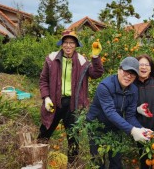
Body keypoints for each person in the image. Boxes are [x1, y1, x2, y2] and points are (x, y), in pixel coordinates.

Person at [37, 29, 104, 164]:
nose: (68, 45)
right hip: (54, 102)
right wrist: (46, 97)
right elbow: (43, 80)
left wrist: (95, 58)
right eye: (66, 42)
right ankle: (37, 161)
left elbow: (96, 73)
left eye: (71, 43)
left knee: (73, 138)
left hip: (73, 104)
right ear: (61, 44)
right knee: (44, 133)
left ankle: (72, 165)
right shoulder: (51, 59)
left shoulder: (82, 61)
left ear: (76, 45)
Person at [86, 56, 152, 169]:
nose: (128, 76)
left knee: (116, 162)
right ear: (119, 70)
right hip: (96, 126)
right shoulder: (105, 86)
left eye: (133, 73)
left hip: (115, 127)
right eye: (126, 71)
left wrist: (141, 129)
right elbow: (110, 112)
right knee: (98, 162)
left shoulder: (133, 90)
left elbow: (130, 116)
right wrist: (132, 130)